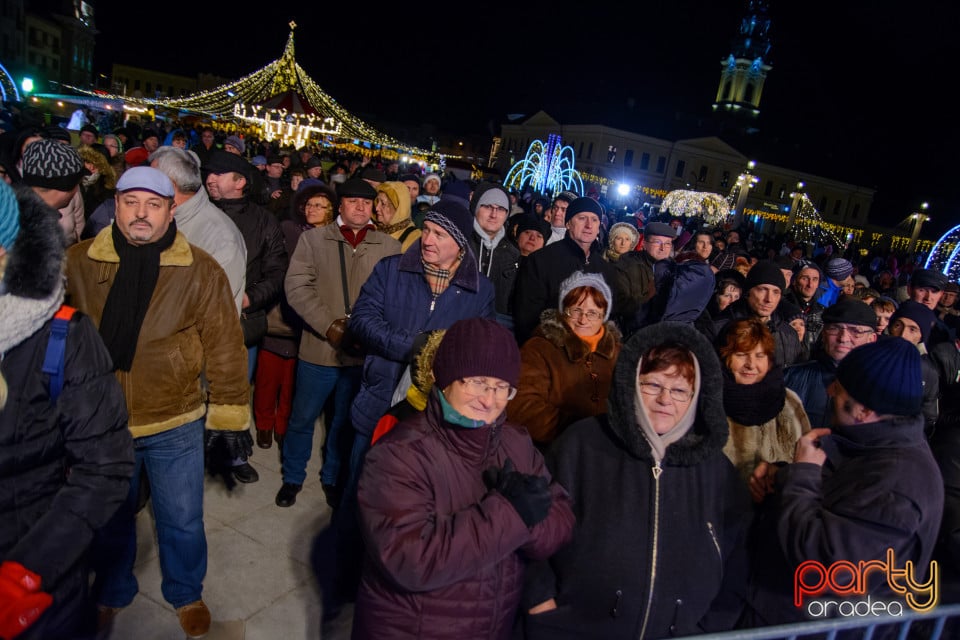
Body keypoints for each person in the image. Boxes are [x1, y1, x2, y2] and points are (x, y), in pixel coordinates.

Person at [65, 167, 251, 638]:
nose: (141, 214)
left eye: (153, 204)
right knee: (110, 517)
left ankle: (186, 591)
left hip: (176, 419)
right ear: (117, 207)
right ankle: (111, 589)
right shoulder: (80, 261)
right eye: (131, 203)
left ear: (172, 210)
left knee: (182, 518)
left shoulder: (200, 267)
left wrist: (229, 415)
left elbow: (226, 344)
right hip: (103, 422)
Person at [522, 321, 750, 638]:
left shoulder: (717, 470)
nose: (665, 400)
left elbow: (737, 558)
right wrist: (540, 601)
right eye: (652, 385)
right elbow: (535, 530)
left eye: (680, 390)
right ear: (631, 382)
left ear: (697, 397)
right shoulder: (582, 445)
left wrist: (711, 627)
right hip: (576, 630)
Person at [351, 318, 575, 640]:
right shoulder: (398, 455)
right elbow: (411, 560)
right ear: (444, 379)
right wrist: (511, 515)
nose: (489, 400)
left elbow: (562, 518)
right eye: (477, 381)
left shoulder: (516, 443)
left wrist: (531, 516)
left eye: (501, 388)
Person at [328, 198, 495, 615]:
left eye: (439, 234)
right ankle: (340, 578)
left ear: (460, 243)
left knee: (410, 504)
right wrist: (415, 347)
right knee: (358, 492)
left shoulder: (480, 290)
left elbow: (479, 347)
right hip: (380, 399)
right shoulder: (392, 270)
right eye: (427, 231)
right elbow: (363, 321)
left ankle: (391, 580)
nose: (428, 240)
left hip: (433, 418)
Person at [0, 182, 133, 640]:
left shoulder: (62, 336)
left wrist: (27, 571)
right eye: (129, 202)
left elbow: (106, 466)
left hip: (32, 558)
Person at [743, 338, 944, 627]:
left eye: (839, 387)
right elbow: (836, 497)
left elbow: (822, 568)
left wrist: (802, 476)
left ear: (863, 410)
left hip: (813, 628)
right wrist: (784, 476)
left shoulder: (899, 483)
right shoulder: (868, 447)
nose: (829, 390)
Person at [276, 178, 400, 508]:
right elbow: (298, 288)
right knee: (303, 418)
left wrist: (368, 332)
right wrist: (329, 327)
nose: (360, 207)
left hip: (361, 355)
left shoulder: (388, 247)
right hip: (318, 350)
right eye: (353, 201)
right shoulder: (314, 240)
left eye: (367, 202)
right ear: (340, 205)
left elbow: (394, 298)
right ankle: (293, 476)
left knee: (343, 422)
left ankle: (331, 477)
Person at [507, 270, 621, 447]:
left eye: (592, 313)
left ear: (603, 315)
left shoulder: (618, 353)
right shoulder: (540, 348)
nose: (583, 319)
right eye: (576, 310)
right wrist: (576, 431)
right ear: (563, 311)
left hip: (610, 450)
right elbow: (522, 406)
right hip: (556, 449)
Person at [717, 318, 811, 485]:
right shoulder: (708, 402)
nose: (751, 365)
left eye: (760, 355)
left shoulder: (789, 402)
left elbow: (804, 466)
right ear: (725, 357)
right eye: (741, 355)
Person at [512, 196, 614, 345]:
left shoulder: (605, 270)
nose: (588, 225)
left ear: (599, 226)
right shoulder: (541, 260)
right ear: (568, 224)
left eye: (594, 220)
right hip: (548, 350)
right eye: (582, 218)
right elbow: (526, 316)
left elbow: (607, 317)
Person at [784, 298, 878, 428]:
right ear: (823, 334)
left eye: (855, 331)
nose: (843, 338)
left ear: (871, 339)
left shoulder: (882, 386)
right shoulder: (790, 377)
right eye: (834, 328)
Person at [711, 260, 805, 367]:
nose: (769, 299)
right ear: (748, 292)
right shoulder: (719, 329)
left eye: (776, 292)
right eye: (762, 290)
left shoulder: (789, 334)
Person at [467, 182, 520, 329]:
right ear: (476, 207)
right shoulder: (460, 243)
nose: (494, 214)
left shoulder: (513, 254)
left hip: (495, 330)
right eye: (488, 206)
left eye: (501, 209)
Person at [610, 220, 675, 337]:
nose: (663, 248)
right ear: (644, 244)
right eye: (657, 242)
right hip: (633, 333)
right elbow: (619, 303)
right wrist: (650, 296)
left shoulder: (674, 269)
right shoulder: (627, 265)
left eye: (667, 244)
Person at [373, 180, 420, 251]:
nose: (377, 208)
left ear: (398, 207)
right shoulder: (371, 229)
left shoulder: (414, 238)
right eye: (377, 202)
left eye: (383, 203)